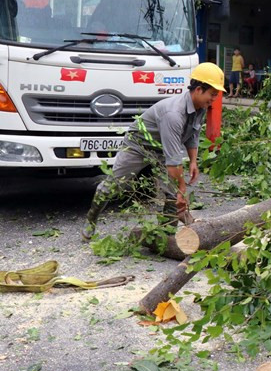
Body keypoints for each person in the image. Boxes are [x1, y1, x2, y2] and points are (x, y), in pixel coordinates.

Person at [82, 62, 225, 240]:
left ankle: (166, 235)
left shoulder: (200, 107)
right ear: (198, 89)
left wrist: (194, 161)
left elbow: (192, 135)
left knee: (172, 193)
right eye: (212, 94)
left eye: (216, 95)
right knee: (115, 185)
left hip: (161, 148)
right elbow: (173, 162)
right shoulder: (174, 114)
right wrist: (182, 189)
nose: (213, 99)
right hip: (138, 145)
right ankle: (91, 220)